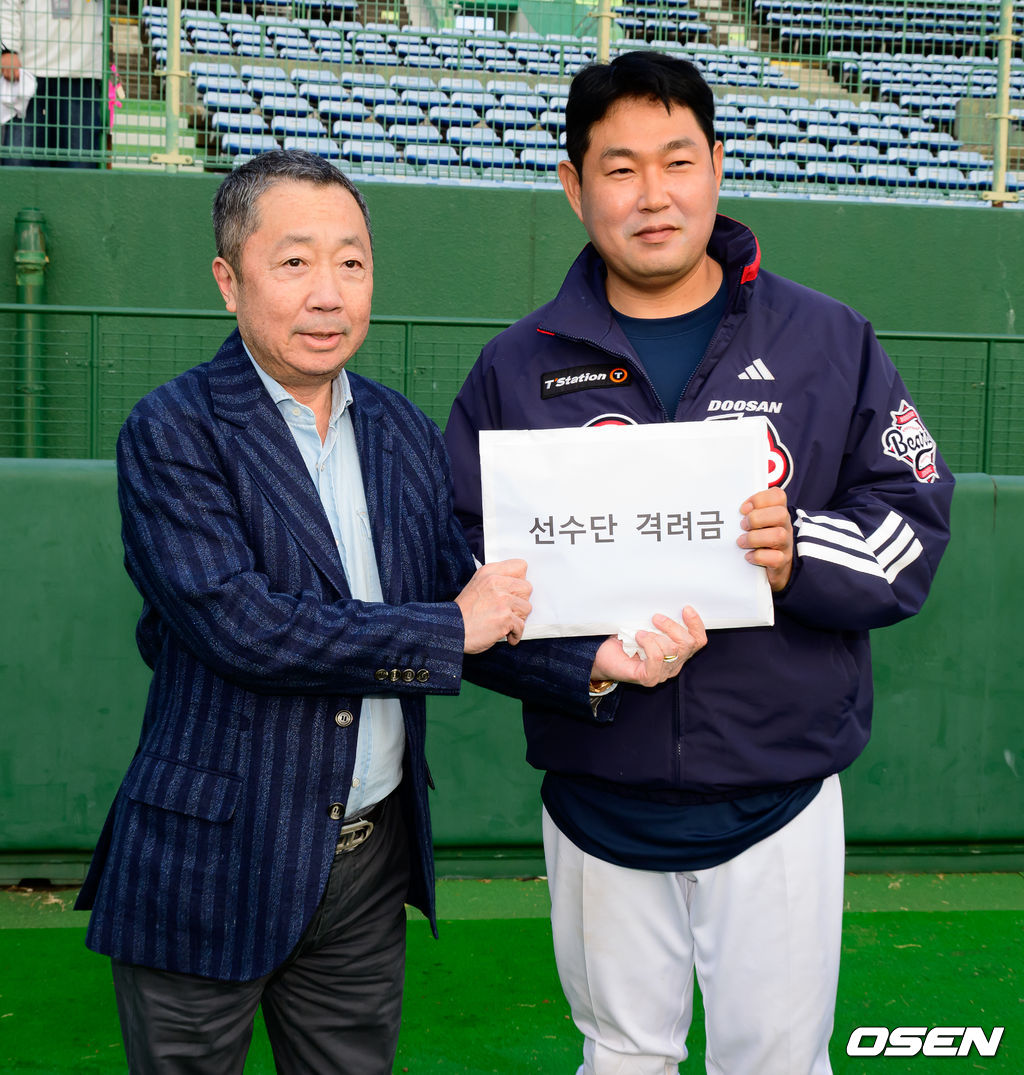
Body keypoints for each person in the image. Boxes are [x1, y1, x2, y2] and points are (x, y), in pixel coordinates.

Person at [73, 149, 705, 1075]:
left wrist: (599, 661)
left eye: (352, 262)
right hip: (211, 859)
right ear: (228, 279)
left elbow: (470, 603)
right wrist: (454, 626)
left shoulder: (401, 429)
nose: (328, 293)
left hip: (367, 861)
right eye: (294, 263)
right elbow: (244, 625)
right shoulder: (172, 432)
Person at [444, 52, 954, 1075]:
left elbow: (911, 515)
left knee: (775, 1060)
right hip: (599, 789)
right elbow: (459, 582)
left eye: (676, 161)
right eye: (619, 167)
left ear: (717, 166)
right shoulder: (514, 366)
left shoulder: (827, 339)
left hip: (780, 786)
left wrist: (796, 548)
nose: (650, 194)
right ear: (572, 184)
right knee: (622, 1056)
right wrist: (582, 664)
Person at [0, 0, 105, 167]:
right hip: (28, 73)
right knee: (19, 162)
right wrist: (7, 49)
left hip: (81, 72)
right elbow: (8, 4)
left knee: (80, 166)